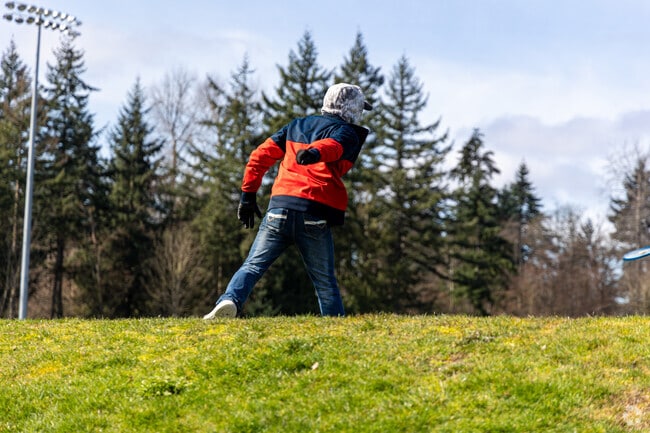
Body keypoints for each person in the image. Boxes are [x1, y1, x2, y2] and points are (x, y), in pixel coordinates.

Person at [203, 83, 372, 319]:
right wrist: (315, 153)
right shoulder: (346, 132)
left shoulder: (296, 126)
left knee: (252, 266)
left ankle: (230, 300)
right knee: (325, 282)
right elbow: (333, 146)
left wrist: (248, 196)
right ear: (351, 109)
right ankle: (335, 328)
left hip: (279, 210)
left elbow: (259, 156)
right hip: (313, 213)